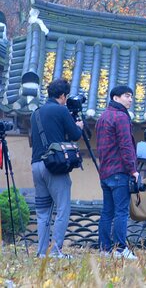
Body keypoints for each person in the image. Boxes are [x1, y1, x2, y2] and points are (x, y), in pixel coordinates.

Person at [31, 78, 83, 259]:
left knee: (42, 211)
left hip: (36, 165)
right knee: (62, 208)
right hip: (54, 166)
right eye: (65, 96)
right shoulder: (61, 110)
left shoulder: (36, 113)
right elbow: (75, 134)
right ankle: (55, 251)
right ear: (62, 95)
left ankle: (42, 252)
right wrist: (79, 126)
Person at [94, 84, 137, 260]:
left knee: (107, 212)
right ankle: (120, 249)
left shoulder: (102, 117)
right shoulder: (121, 117)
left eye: (131, 96)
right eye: (127, 96)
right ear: (115, 98)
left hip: (105, 171)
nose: (130, 99)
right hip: (119, 170)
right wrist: (133, 169)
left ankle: (104, 249)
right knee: (121, 212)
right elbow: (126, 145)